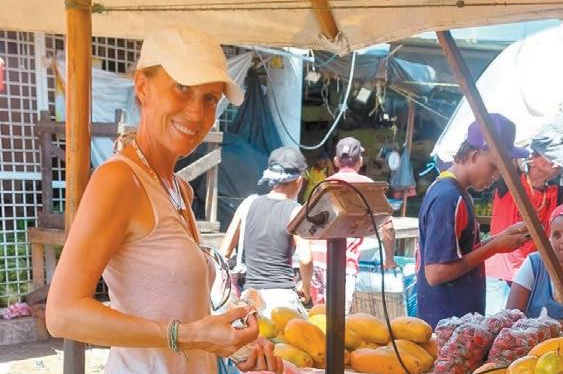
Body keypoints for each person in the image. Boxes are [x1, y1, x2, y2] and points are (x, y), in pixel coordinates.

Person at [46, 24, 282, 374]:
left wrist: (230, 344)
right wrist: (189, 335)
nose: (196, 112)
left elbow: (179, 307)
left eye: (210, 98)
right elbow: (62, 313)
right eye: (182, 89)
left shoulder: (177, 189)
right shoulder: (119, 181)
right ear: (143, 87)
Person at [416, 114, 530, 328]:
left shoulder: (453, 192)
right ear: (475, 154)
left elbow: (459, 253)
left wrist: (501, 238)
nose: (495, 177)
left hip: (455, 323)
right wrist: (494, 247)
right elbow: (436, 272)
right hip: (445, 325)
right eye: (493, 167)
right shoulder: (449, 197)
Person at [487, 119, 563, 313]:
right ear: (533, 158)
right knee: (497, 325)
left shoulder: (557, 193)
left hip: (532, 274)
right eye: (550, 155)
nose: (556, 162)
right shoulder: (511, 180)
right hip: (499, 277)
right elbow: (504, 152)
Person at [221, 147, 313, 317]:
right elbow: (306, 258)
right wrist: (306, 286)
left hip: (251, 298)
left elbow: (225, 251)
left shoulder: (247, 204)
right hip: (283, 299)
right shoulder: (296, 212)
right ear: (299, 181)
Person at [310, 136, 397, 314]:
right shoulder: (368, 187)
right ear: (360, 161)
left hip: (316, 260)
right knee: (338, 319)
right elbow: (387, 226)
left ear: (336, 161)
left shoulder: (323, 185)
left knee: (318, 318)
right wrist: (389, 260)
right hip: (342, 263)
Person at [506, 203, 563, 332]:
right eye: (556, 235)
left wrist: (543, 325)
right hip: (533, 344)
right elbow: (510, 317)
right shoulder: (535, 263)